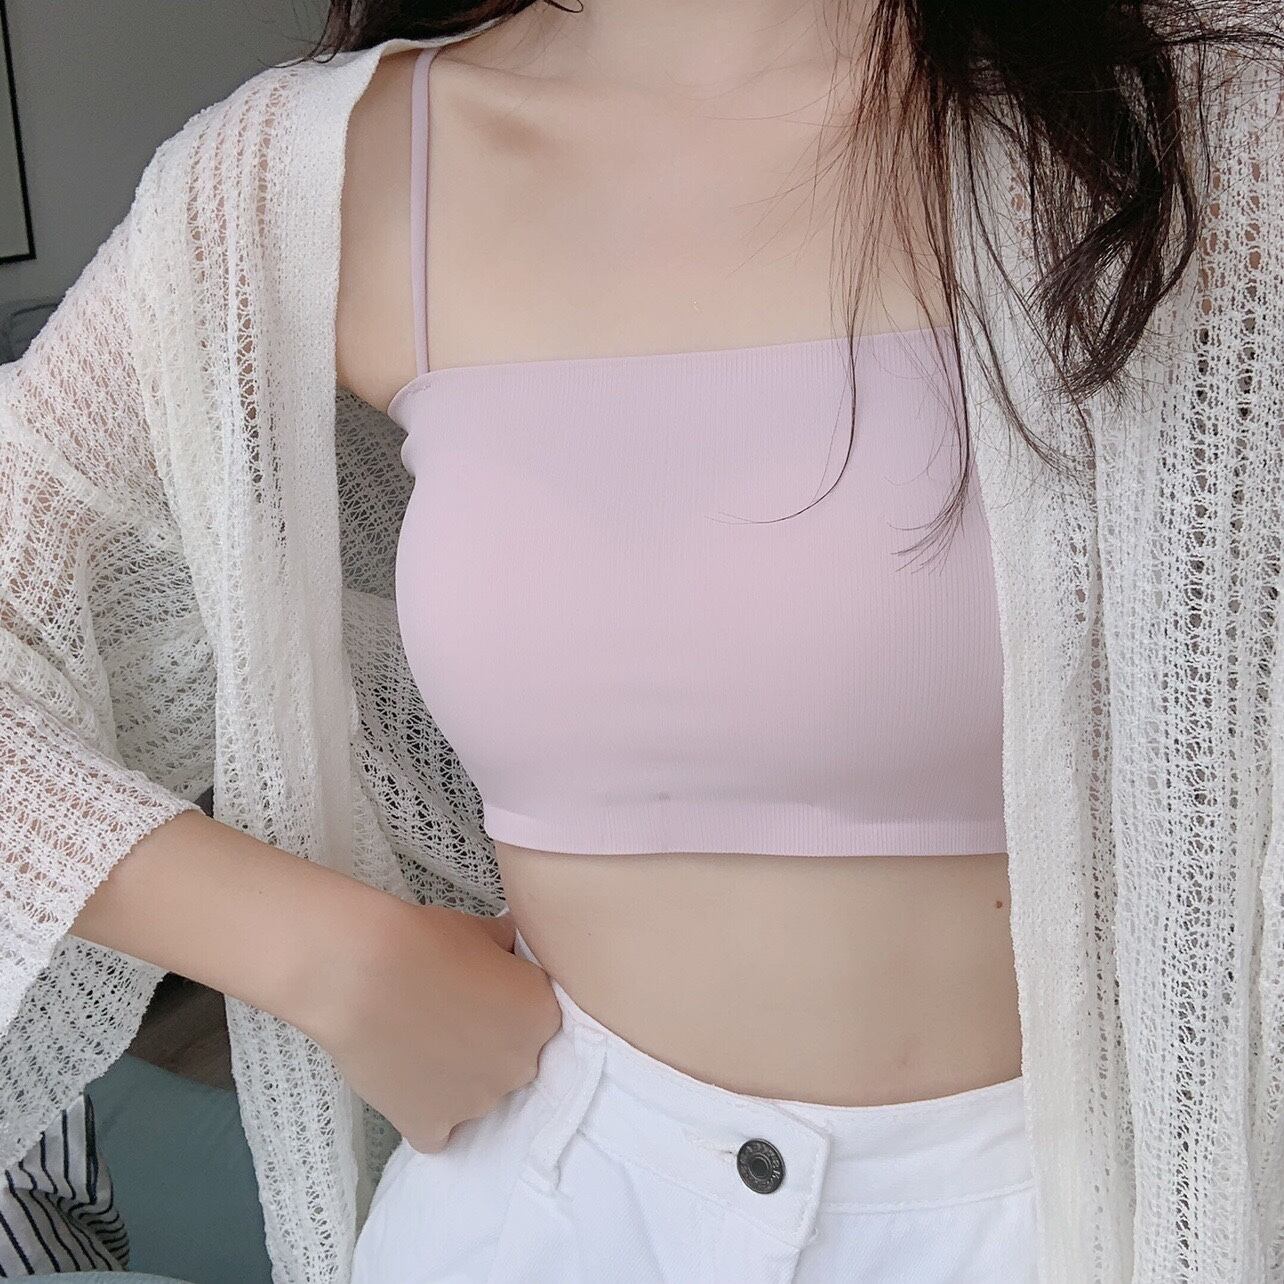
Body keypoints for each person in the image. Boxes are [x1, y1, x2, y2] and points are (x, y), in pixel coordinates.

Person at [1, 2, 1281, 1281]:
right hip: (545, 1206)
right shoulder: (314, 172)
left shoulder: (1216, 109)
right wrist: (328, 958)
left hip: (1084, 1214)